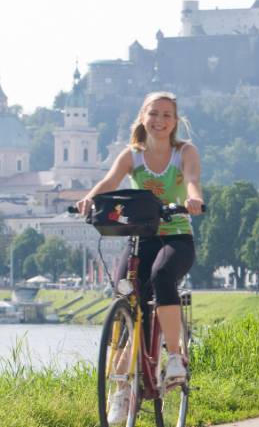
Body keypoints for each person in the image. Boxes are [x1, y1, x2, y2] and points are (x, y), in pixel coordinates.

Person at [75, 91, 204, 422]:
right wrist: (89, 200)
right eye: (154, 114)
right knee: (124, 292)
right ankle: (121, 387)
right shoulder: (132, 155)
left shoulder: (183, 152)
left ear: (175, 122)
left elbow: (191, 182)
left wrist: (194, 199)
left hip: (176, 237)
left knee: (162, 277)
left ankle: (174, 357)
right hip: (141, 239)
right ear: (142, 117)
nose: (159, 121)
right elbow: (108, 182)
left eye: (166, 115)